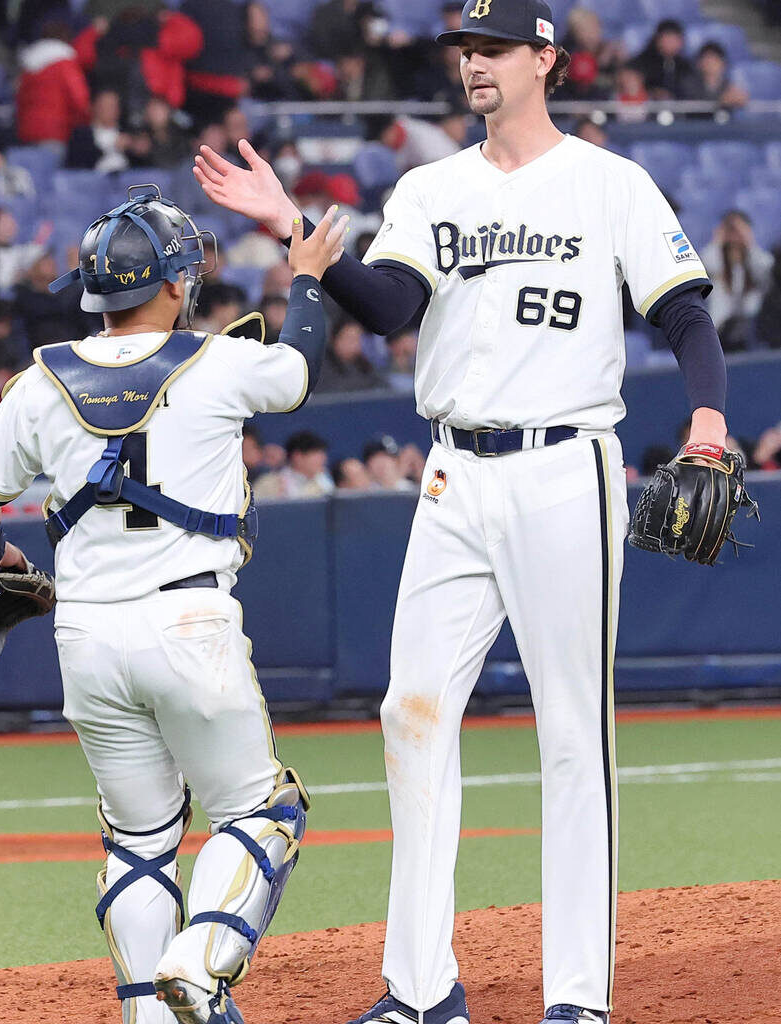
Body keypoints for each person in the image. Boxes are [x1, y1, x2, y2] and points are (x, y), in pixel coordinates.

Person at [193, 0, 732, 1021]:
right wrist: (290, 228)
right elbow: (391, 305)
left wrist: (705, 415)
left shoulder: (609, 182)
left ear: (544, 60)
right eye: (462, 50)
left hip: (566, 467)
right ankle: (420, 988)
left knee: (574, 736)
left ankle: (577, 996)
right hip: (453, 475)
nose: (472, 64)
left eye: (492, 49)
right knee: (410, 711)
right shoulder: (431, 187)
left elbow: (684, 310)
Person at [0, 186, 347, 1024]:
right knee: (259, 810)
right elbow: (303, 367)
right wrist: (306, 278)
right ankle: (202, 965)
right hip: (187, 622)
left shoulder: (40, 376)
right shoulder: (217, 360)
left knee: (137, 843)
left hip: (86, 634)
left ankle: (149, 1014)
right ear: (174, 285)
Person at [702, 210, 773, 350]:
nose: (734, 237)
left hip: (753, 332)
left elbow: (766, 269)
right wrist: (718, 239)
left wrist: (748, 241)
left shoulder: (757, 262)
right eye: (730, 230)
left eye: (738, 231)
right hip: (719, 334)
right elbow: (706, 263)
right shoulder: (715, 266)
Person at [253, 430, 334, 500]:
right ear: (297, 456)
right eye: (316, 455)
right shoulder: (269, 483)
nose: (323, 459)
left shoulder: (324, 482)